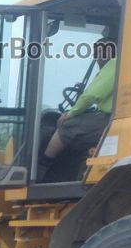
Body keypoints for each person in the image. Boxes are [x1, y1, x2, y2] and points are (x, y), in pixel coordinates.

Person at [40, 37, 117, 180]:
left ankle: (43, 165)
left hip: (111, 119)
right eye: (97, 52)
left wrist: (70, 113)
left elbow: (91, 95)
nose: (98, 57)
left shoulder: (115, 64)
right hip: (111, 117)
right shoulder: (119, 66)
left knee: (68, 126)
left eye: (101, 52)